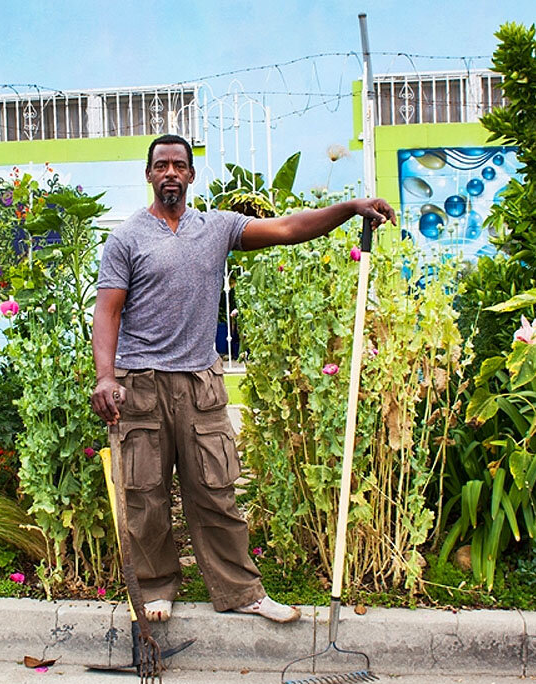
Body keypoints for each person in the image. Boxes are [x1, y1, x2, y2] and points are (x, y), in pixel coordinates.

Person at [90, 134, 395, 624]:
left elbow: (288, 228)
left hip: (199, 384)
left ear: (191, 175)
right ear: (149, 175)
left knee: (216, 491)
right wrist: (106, 377)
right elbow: (107, 312)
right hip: (141, 384)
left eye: (179, 165)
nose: (170, 172)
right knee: (144, 495)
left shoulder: (217, 228)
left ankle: (241, 591)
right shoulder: (126, 239)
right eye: (161, 165)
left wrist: (349, 207)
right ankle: (154, 589)